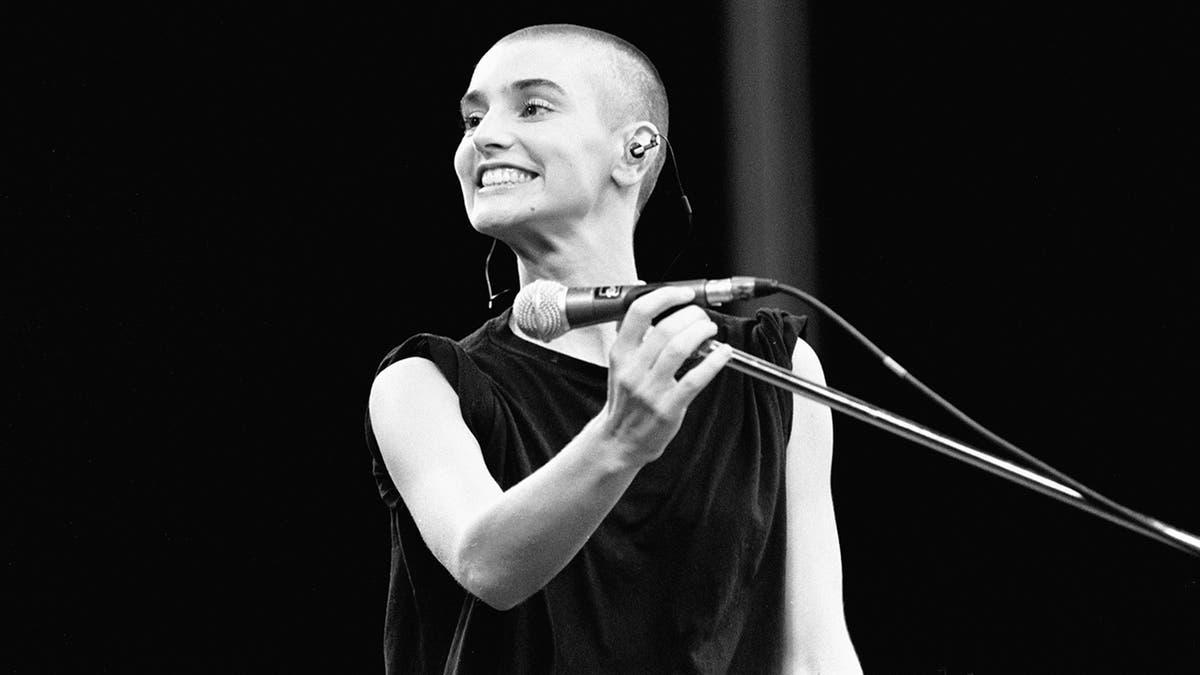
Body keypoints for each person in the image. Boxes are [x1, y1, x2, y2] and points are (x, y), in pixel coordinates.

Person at [365, 23, 861, 674]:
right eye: (471, 118)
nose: (482, 136)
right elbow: (484, 562)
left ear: (634, 150)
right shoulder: (424, 383)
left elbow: (814, 649)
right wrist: (622, 436)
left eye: (532, 107)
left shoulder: (772, 369)